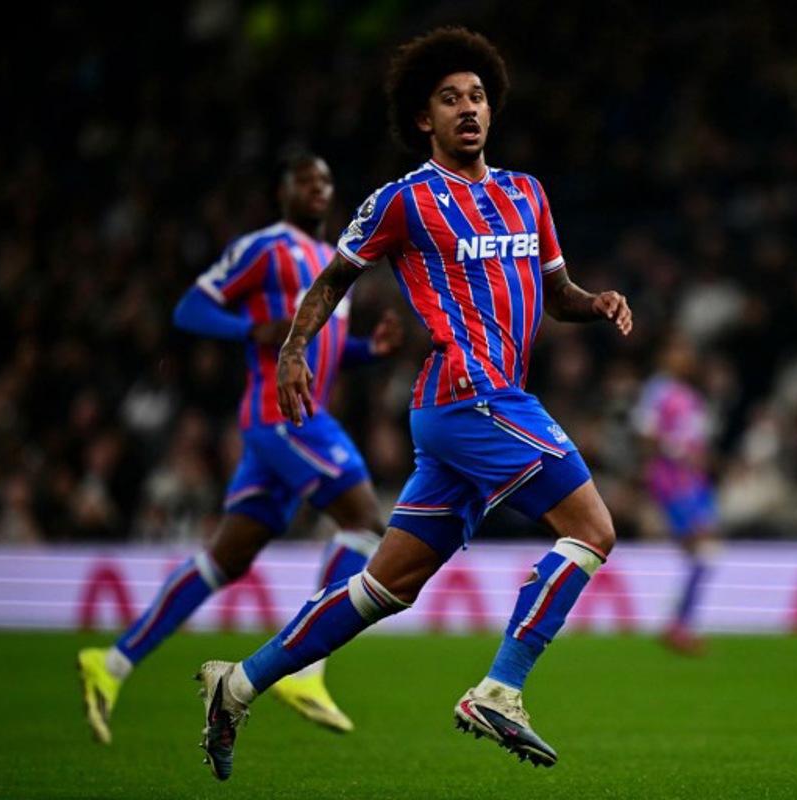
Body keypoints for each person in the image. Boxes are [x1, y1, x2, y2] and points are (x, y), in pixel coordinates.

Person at [193, 27, 633, 780]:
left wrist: (596, 303)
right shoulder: (403, 201)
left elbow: (555, 294)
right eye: (450, 99)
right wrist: (293, 351)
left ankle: (236, 684)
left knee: (383, 587)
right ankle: (500, 688)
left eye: (478, 97)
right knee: (593, 529)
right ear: (423, 118)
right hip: (470, 398)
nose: (469, 109)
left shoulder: (527, 194)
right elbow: (333, 280)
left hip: (477, 409)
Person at [77, 150, 403, 744]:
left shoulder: (334, 262)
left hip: (290, 422)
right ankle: (305, 668)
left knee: (225, 558)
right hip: (283, 417)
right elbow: (191, 308)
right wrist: (248, 330)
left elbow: (322, 346)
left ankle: (113, 662)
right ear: (283, 192)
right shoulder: (266, 248)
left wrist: (366, 352)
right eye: (303, 180)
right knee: (363, 521)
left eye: (325, 181)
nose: (317, 189)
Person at [633, 333, 719, 654]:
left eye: (687, 351)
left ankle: (680, 625)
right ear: (665, 356)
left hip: (694, 481)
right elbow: (646, 434)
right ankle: (679, 626)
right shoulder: (658, 391)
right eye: (678, 350)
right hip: (675, 481)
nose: (684, 358)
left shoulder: (690, 395)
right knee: (703, 549)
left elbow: (697, 442)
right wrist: (674, 454)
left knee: (703, 553)